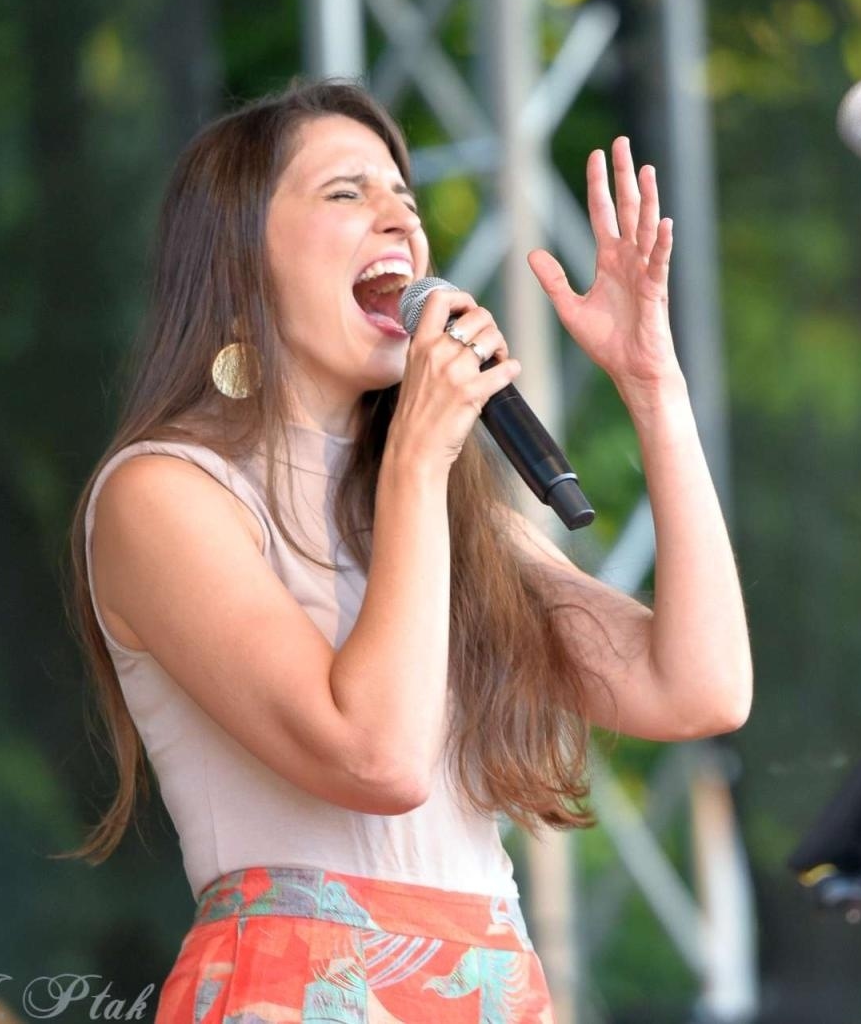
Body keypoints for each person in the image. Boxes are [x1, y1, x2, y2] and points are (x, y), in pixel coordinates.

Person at [55, 78, 752, 1023]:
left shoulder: (445, 512)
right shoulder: (162, 493)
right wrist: (420, 461)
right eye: (346, 194)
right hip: (298, 986)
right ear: (237, 264)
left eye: (406, 199)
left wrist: (653, 387)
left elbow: (700, 689)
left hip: (491, 983)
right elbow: (377, 760)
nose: (399, 221)